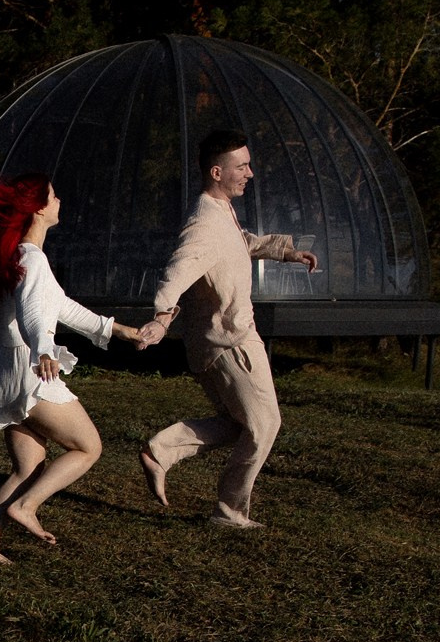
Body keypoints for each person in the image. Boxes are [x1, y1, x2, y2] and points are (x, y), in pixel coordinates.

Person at [0, 170, 156, 563]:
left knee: (27, 467)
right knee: (88, 446)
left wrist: (117, 329)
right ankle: (27, 507)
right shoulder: (31, 259)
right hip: (29, 369)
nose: (59, 202)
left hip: (4, 371)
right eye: (53, 197)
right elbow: (34, 312)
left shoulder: (20, 255)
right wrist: (44, 350)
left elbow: (60, 306)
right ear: (37, 209)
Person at [134, 128, 321, 528]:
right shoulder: (204, 222)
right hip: (229, 342)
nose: (250, 173)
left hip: (223, 339)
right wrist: (162, 316)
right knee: (263, 424)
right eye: (243, 166)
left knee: (240, 424)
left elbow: (238, 243)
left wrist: (283, 251)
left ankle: (161, 451)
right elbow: (179, 268)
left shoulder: (220, 213)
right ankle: (229, 511)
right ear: (217, 172)